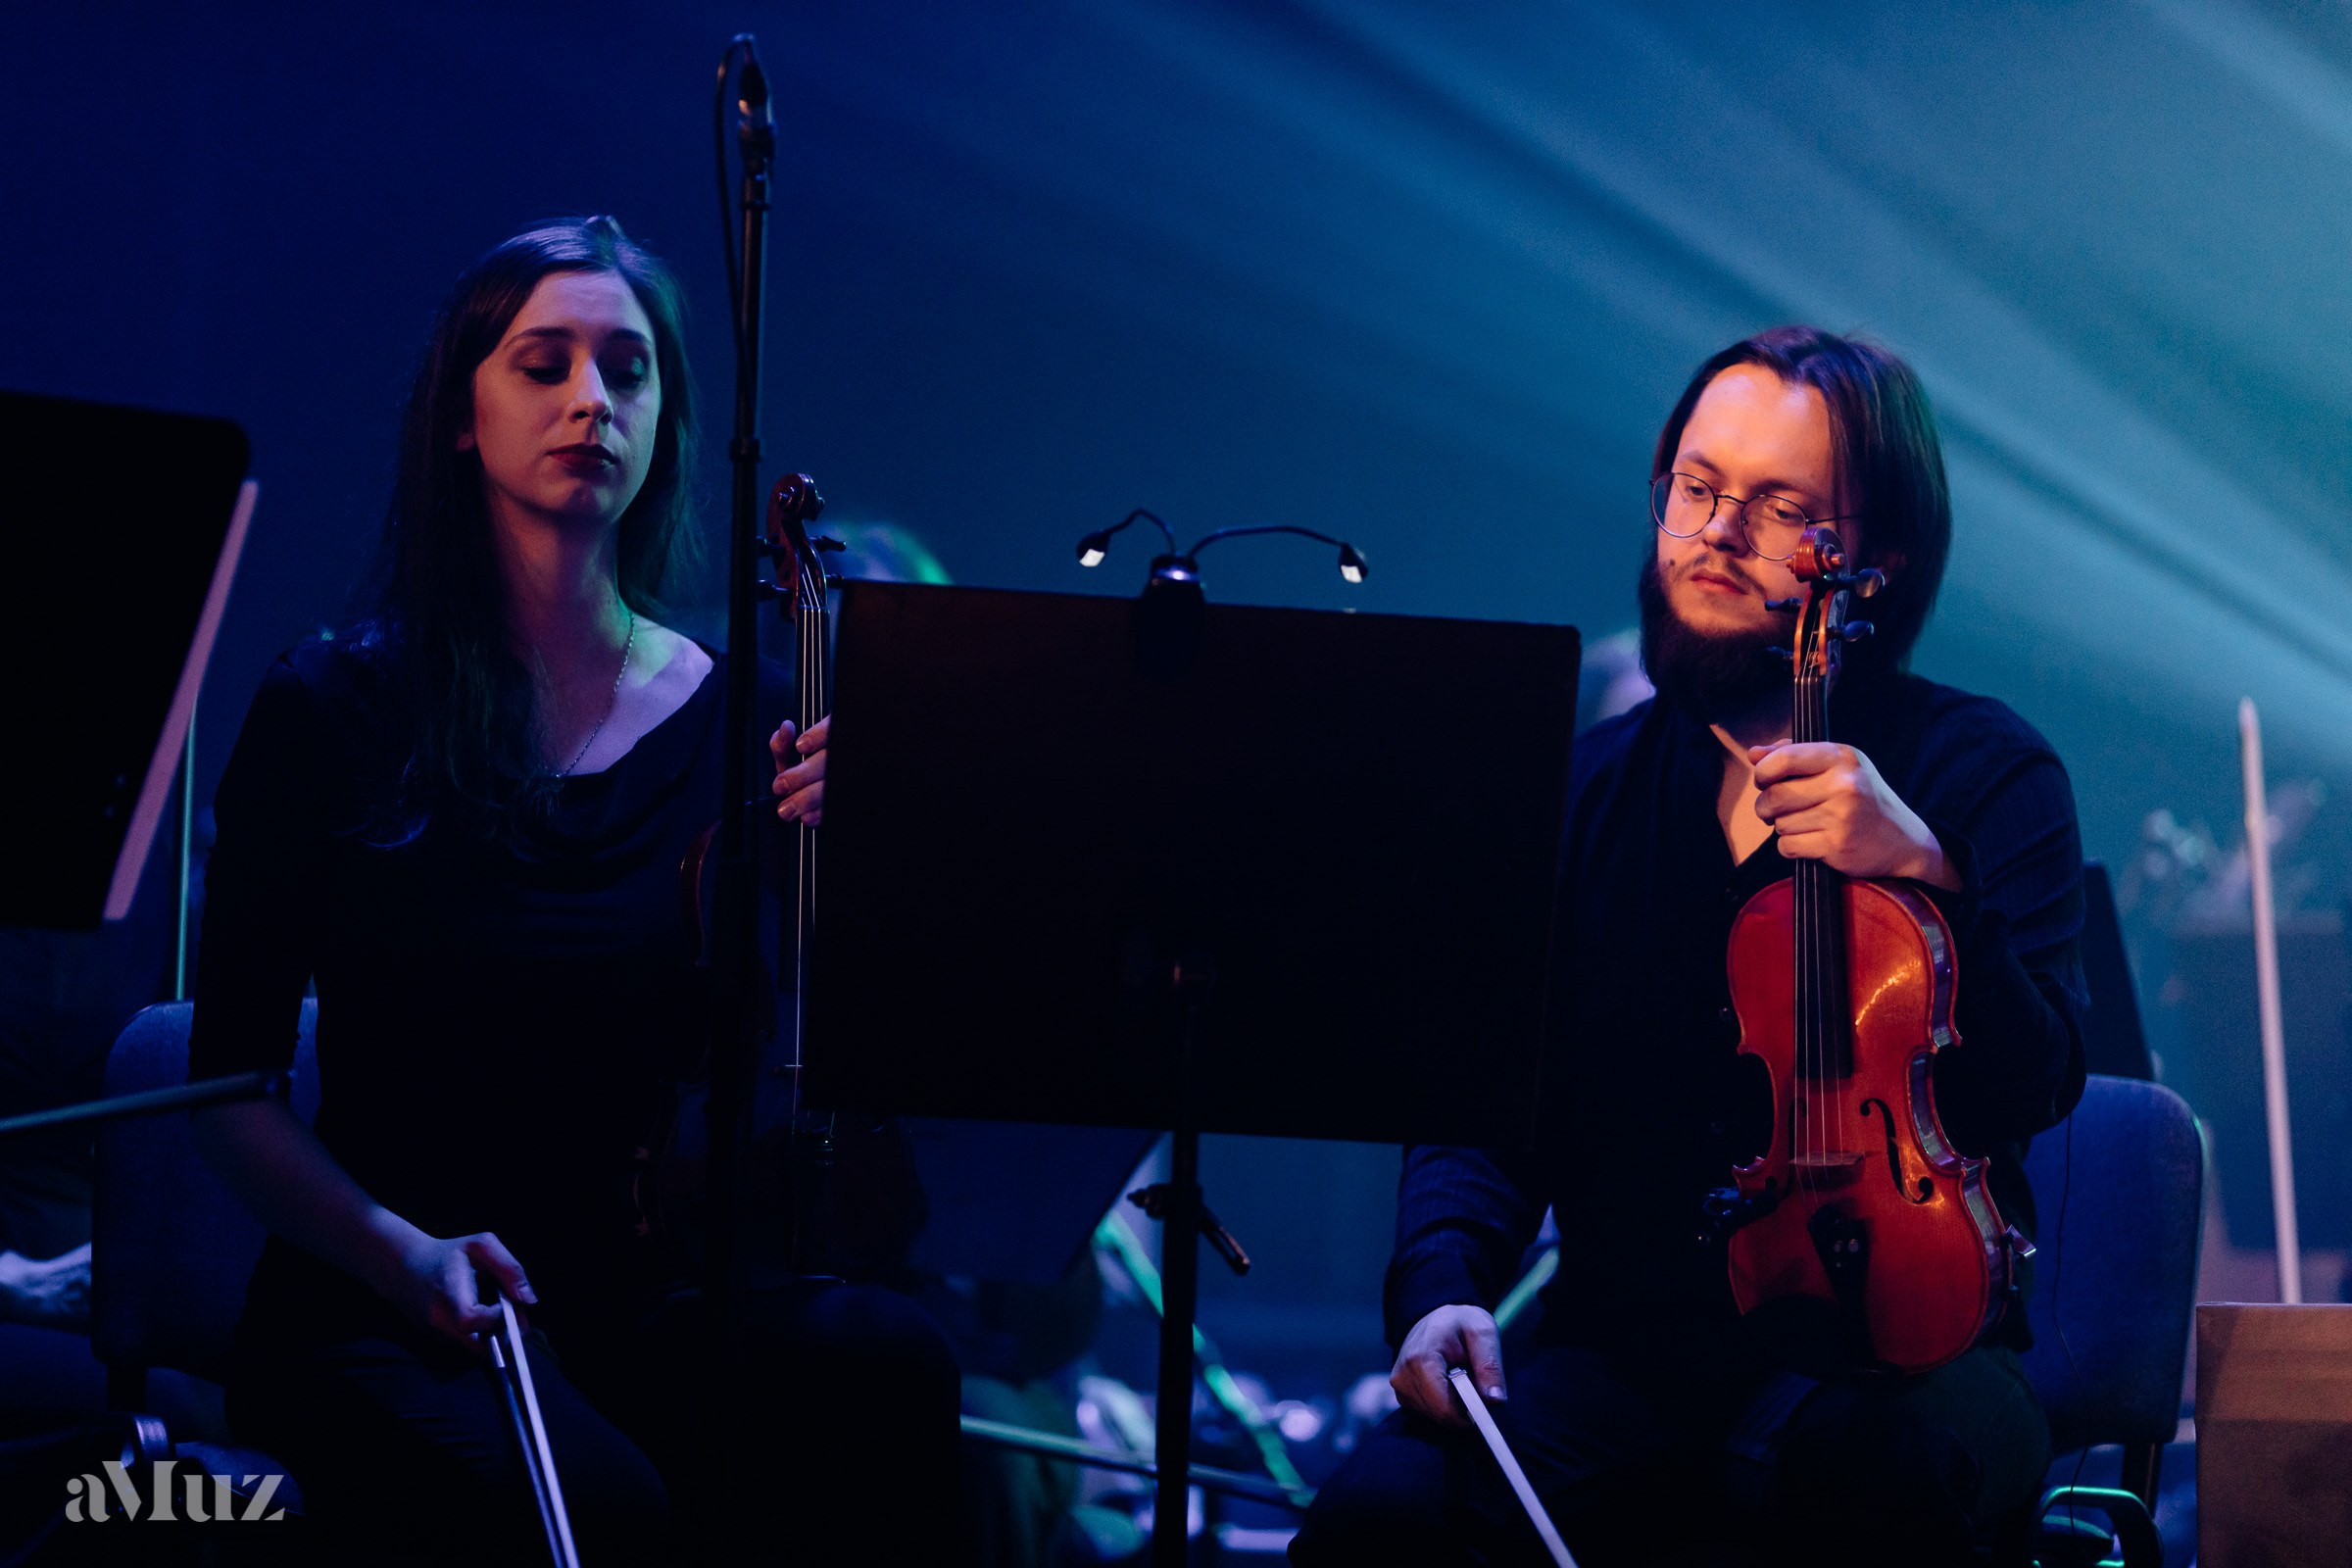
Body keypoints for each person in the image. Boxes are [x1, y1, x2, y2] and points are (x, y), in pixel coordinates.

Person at [187, 217, 962, 1564]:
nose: (592, 400)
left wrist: (878, 862)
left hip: (654, 1294)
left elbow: (844, 1037)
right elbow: (227, 1093)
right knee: (603, 1508)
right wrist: (401, 1253)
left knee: (887, 1365)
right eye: (543, 364)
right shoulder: (333, 706)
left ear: (667, 420)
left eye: (628, 370)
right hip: (393, 1305)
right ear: (461, 416)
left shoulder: (752, 713)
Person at [1292, 327, 2085, 1568]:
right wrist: (1443, 1283)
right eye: (1698, 488)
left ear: (1875, 560)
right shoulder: (1583, 791)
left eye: (1780, 511)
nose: (1715, 535)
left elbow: (2039, 1081)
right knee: (1380, 1519)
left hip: (1905, 1354)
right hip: (1628, 1355)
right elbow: (1487, 1111)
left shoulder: (1985, 775)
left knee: (1854, 1476)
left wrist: (1930, 876)